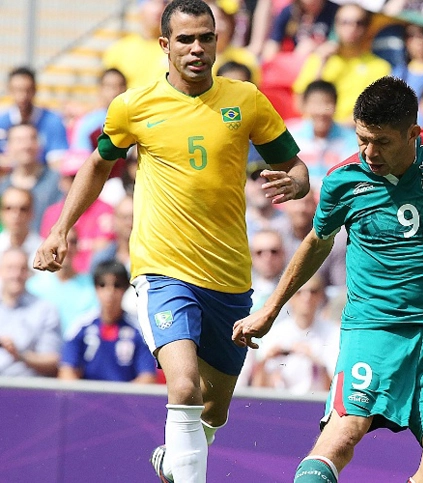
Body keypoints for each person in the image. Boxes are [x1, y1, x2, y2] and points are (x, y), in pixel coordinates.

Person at [32, 2, 310, 483]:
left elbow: (295, 165)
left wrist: (298, 183)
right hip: (162, 270)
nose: (196, 48)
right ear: (165, 45)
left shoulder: (245, 100)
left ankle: (174, 461)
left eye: (206, 37)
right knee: (182, 387)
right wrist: (61, 228)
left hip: (228, 277)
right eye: (185, 39)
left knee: (213, 412)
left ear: (218, 42)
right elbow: (99, 165)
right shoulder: (133, 106)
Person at [232, 75, 423, 483]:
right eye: (362, 139)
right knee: (342, 436)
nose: (369, 152)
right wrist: (269, 311)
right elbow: (317, 244)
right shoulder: (345, 180)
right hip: (373, 332)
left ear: (412, 132)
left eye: (382, 142)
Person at [58, 261, 157, 383]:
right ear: (95, 288)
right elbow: (66, 372)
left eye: (117, 285)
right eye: (102, 284)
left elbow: (147, 378)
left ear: (126, 288)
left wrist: (117, 401)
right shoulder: (80, 326)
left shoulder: (140, 330)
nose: (110, 292)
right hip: (85, 399)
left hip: (125, 400)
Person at [0, 247, 62, 378]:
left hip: (27, 389)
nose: (16, 275)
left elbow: (52, 361)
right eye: (10, 268)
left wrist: (20, 355)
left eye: (22, 269)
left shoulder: (44, 309)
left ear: (28, 273)